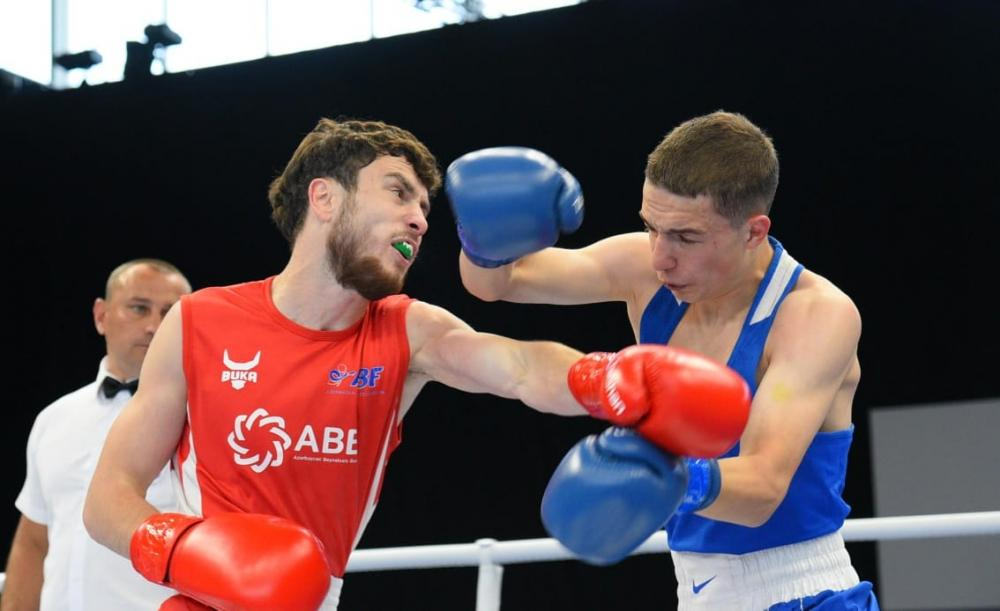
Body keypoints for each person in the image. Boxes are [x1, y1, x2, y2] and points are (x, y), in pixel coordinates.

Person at [80, 118, 751, 611]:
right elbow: (108, 497)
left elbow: (520, 367)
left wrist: (612, 378)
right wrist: (186, 550)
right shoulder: (200, 320)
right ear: (325, 198)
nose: (420, 219)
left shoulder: (407, 331)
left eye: (426, 206)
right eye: (399, 193)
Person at [448, 110, 879, 610]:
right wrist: (484, 240)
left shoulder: (814, 315)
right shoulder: (645, 272)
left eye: (685, 237)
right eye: (651, 228)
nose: (660, 257)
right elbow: (496, 285)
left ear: (754, 232)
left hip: (806, 594)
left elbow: (763, 489)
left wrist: (663, 475)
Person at [3, 259, 192, 611]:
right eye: (139, 308)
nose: (154, 326)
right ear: (101, 316)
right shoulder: (54, 418)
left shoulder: (198, 423)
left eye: (169, 313)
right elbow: (34, 540)